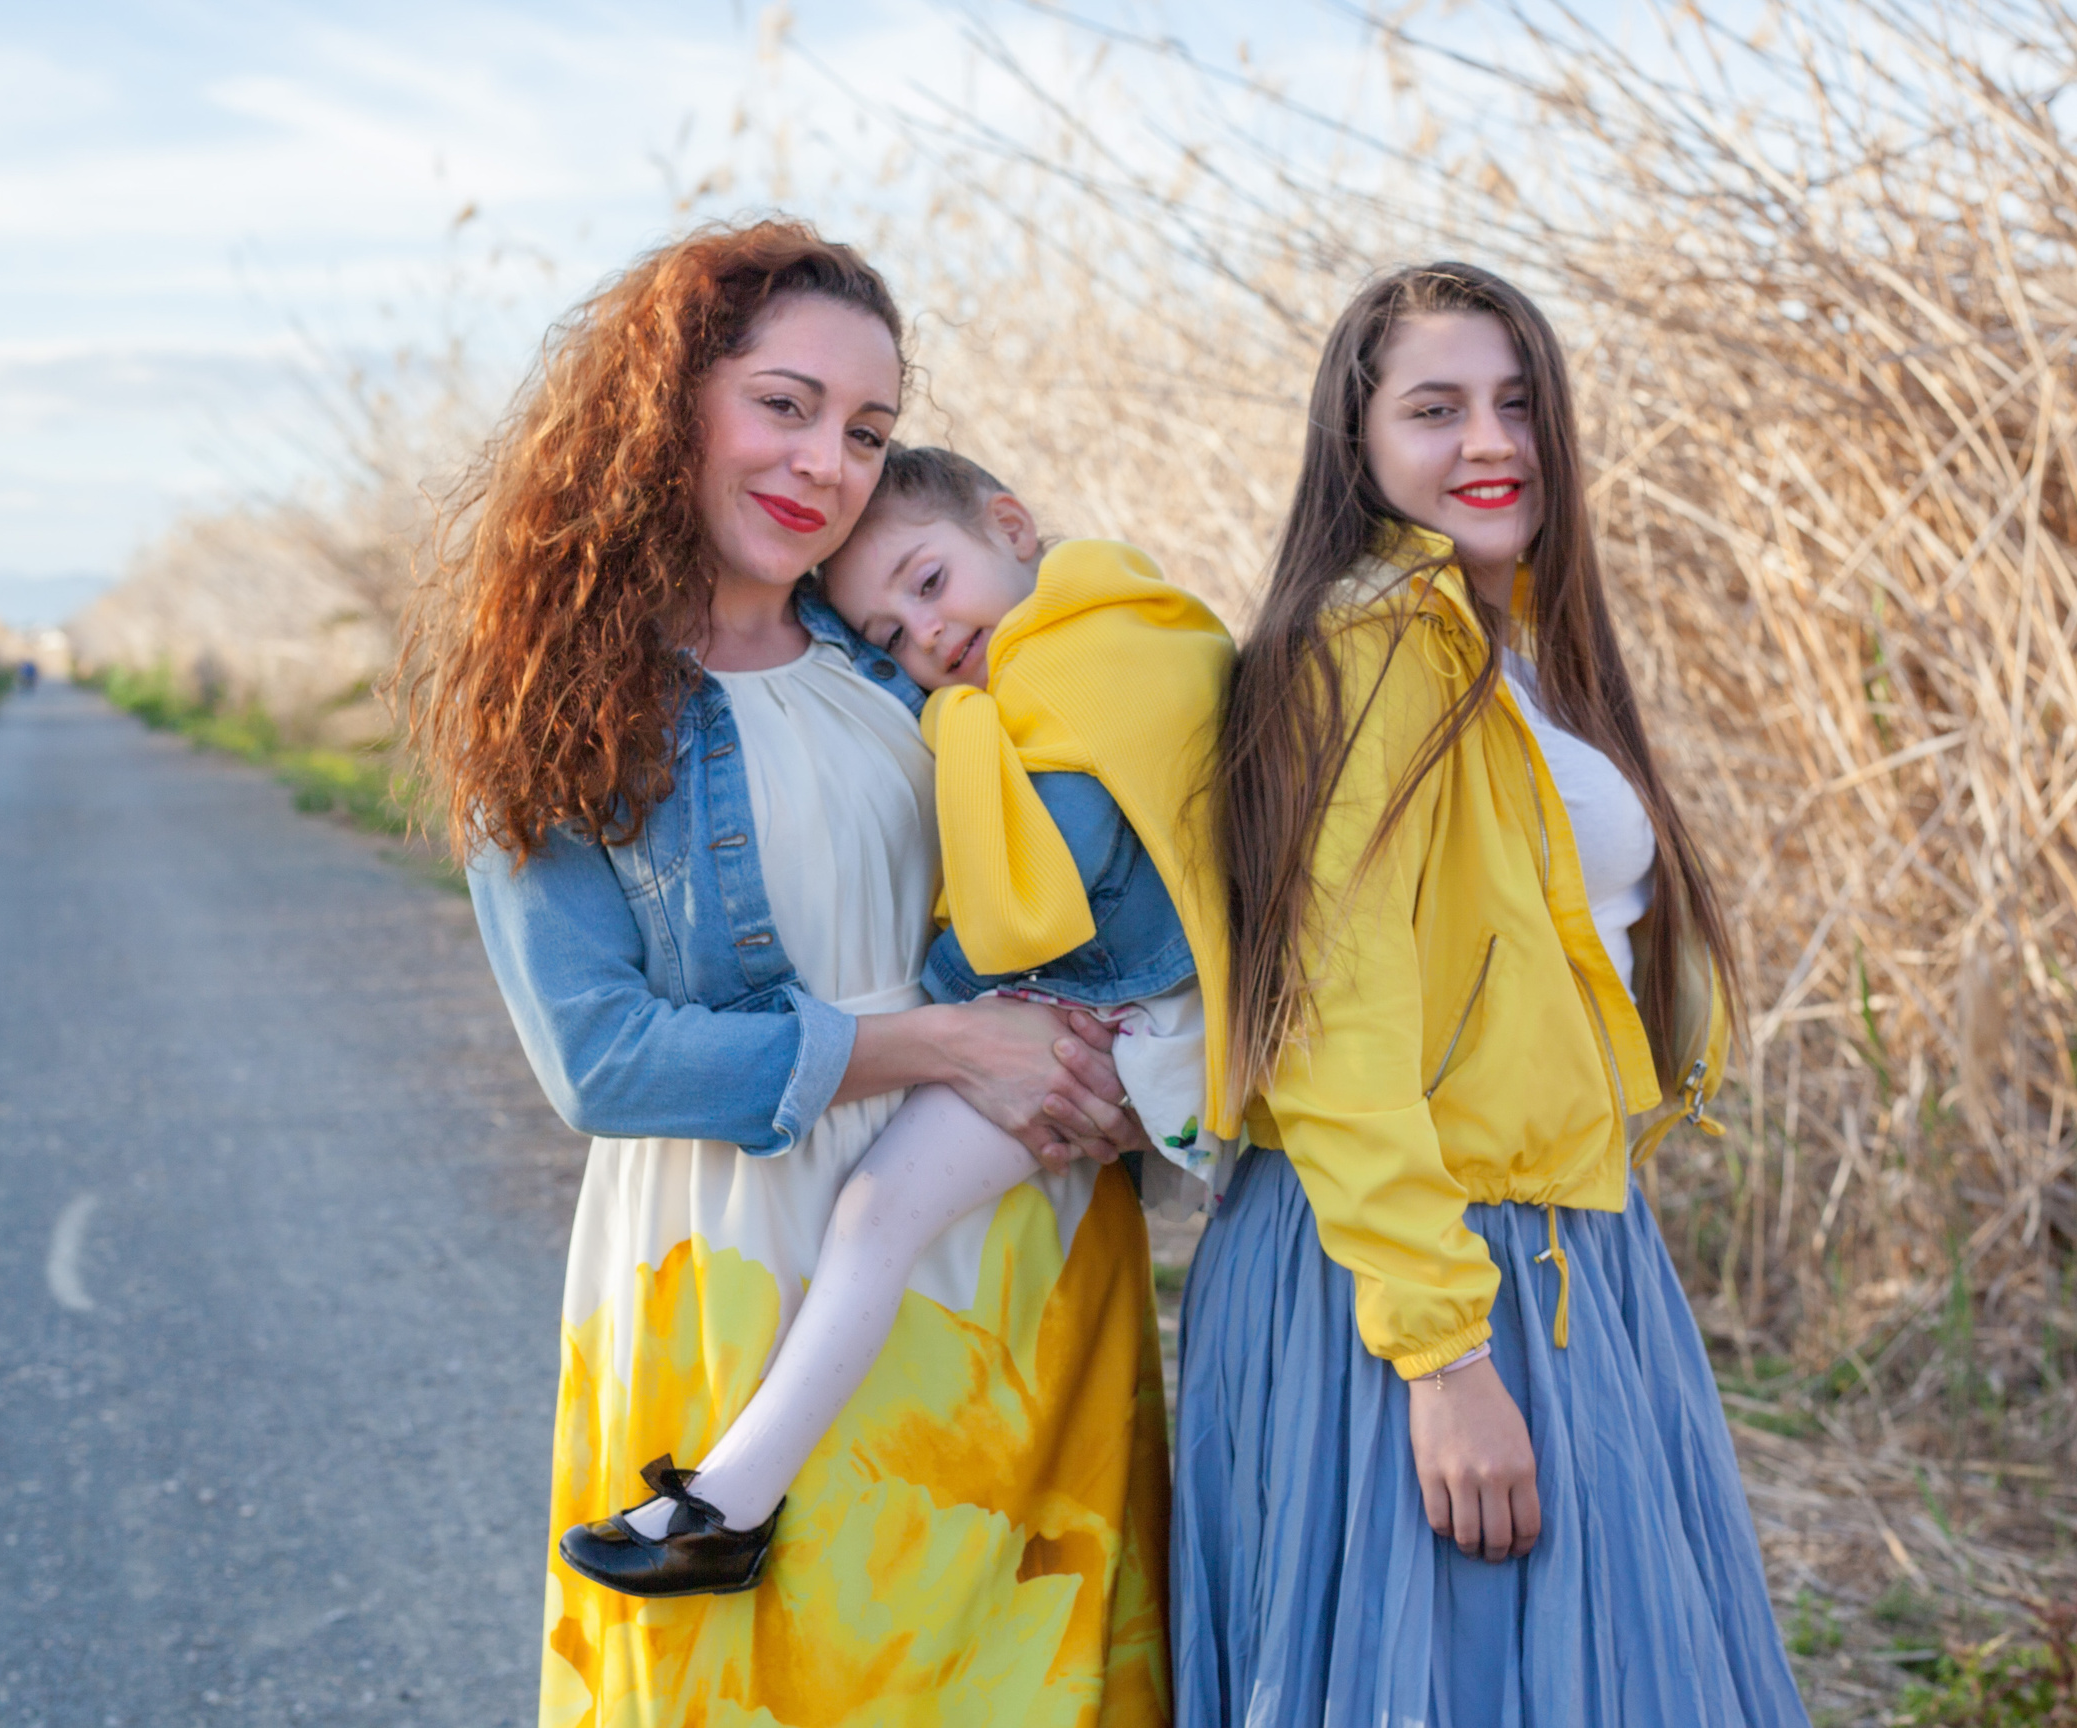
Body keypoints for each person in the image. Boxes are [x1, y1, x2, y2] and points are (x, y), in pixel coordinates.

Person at [399, 221, 1172, 1721]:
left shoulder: (917, 641)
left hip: (1023, 1254)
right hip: (743, 1269)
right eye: (786, 404)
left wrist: (1127, 1084)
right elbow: (601, 1059)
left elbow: (1136, 885)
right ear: (665, 403)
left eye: (868, 430)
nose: (828, 462)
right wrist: (950, 1049)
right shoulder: (561, 699)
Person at [1176, 262, 1810, 1725]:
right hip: (1414, 1279)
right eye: (1437, 407)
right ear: (1359, 443)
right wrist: (1444, 1356)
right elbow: (1332, 1023)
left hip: (1569, 1255)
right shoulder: (1359, 650)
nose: (1491, 442)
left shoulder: (1509, 649)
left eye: (1519, 404)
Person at [559, 446, 1237, 1599]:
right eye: (886, 635)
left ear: (1012, 527)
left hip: (1114, 1023)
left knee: (874, 1218)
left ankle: (726, 1506)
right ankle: (730, 1500)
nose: (923, 639)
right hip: (1127, 1011)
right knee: (882, 1227)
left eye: (929, 585)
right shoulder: (1132, 628)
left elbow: (1038, 898)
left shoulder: (1066, 671)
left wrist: (943, 982)